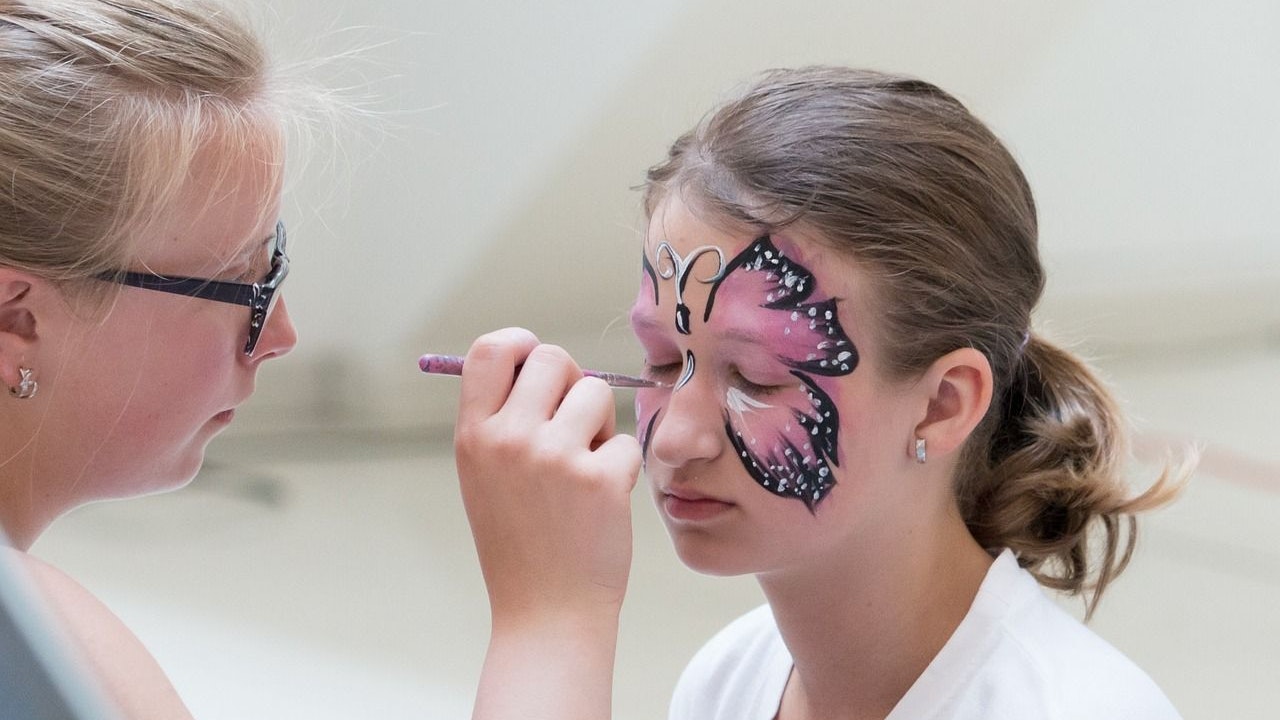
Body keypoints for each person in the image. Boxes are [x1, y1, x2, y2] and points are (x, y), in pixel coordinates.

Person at [454, 66, 1189, 719]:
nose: (675, 438)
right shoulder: (729, 682)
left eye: (757, 378)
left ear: (942, 403)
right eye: (659, 361)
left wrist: (550, 617)